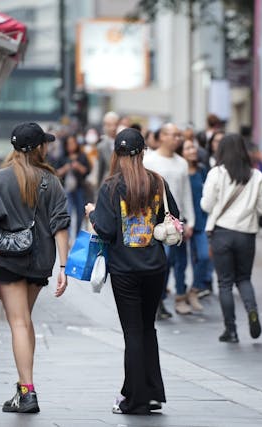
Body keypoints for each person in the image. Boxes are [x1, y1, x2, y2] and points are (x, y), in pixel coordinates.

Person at [0, 122, 70, 413]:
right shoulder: (51, 180)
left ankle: (28, 392)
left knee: (18, 323)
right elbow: (61, 226)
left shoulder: (0, 179)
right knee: (25, 321)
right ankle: (22, 387)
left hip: (10, 257)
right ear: (40, 147)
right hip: (41, 260)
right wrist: (63, 267)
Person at [86, 128, 175, 415]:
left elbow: (107, 229)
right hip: (155, 266)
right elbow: (171, 218)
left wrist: (91, 213)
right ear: (143, 152)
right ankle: (150, 393)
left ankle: (135, 399)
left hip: (125, 268)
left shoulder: (111, 187)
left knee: (133, 332)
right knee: (147, 329)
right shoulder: (157, 182)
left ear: (117, 154)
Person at [201, 134, 262, 342]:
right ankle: (252, 311)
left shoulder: (216, 174)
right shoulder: (256, 176)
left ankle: (230, 330)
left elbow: (206, 205)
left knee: (224, 283)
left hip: (222, 233)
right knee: (244, 279)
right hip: (246, 234)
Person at [144, 123, 195, 317]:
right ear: (162, 136)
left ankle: (165, 300)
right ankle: (157, 302)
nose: (178, 139)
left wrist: (189, 220)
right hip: (156, 223)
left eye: (179, 135)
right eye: (174, 135)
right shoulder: (149, 160)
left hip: (177, 222)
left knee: (177, 262)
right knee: (161, 264)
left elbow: (186, 192)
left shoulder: (182, 162)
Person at [180, 137, 212, 304]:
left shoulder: (202, 170)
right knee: (178, 262)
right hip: (181, 221)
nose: (193, 151)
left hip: (201, 220)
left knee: (204, 256)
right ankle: (179, 291)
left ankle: (195, 288)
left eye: (193, 147)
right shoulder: (179, 170)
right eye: (188, 148)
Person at [53, 134, 91, 239]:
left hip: (79, 188)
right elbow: (56, 173)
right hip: (66, 189)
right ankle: (68, 236)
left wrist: (77, 166)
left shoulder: (82, 156)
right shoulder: (62, 157)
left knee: (80, 212)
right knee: (68, 212)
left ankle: (78, 234)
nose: (71, 146)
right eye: (69, 144)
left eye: (73, 143)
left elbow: (87, 171)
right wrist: (65, 168)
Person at [96, 111, 120, 187]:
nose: (113, 128)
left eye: (115, 124)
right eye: (109, 125)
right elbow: (100, 170)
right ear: (105, 126)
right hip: (108, 185)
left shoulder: (124, 142)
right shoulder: (101, 146)